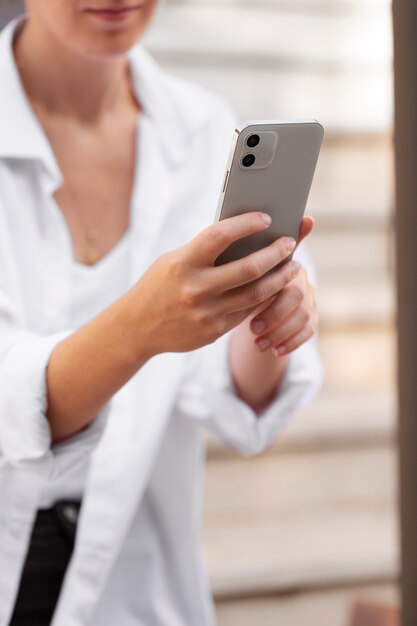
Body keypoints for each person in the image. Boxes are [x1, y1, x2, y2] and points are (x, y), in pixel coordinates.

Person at [0, 2, 323, 625]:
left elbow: (229, 400)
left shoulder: (203, 129)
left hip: (135, 578)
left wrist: (265, 315)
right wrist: (139, 330)